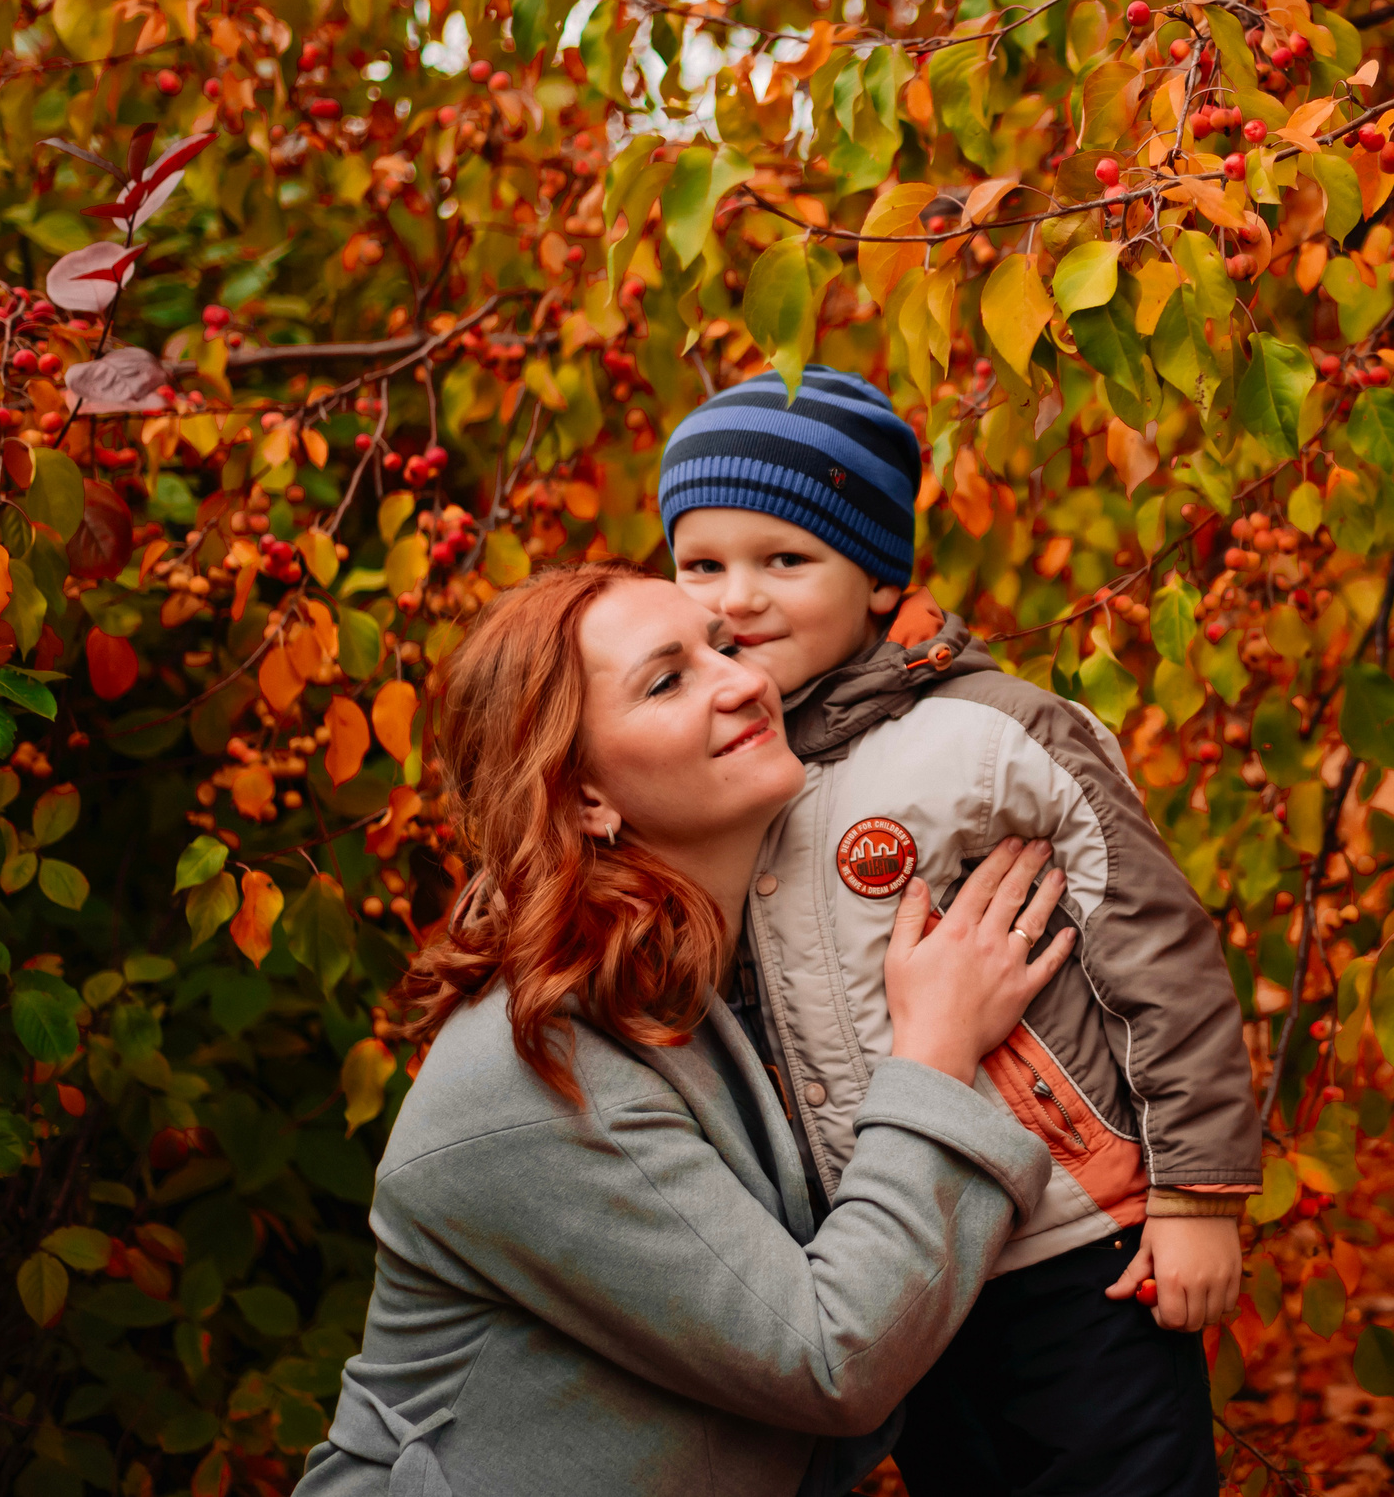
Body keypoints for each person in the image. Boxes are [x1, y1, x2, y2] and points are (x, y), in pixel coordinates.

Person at [298, 563, 1078, 1496]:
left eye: (726, 645)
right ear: (587, 797)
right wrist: (936, 1053)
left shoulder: (685, 993)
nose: (744, 679)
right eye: (668, 679)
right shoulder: (539, 1072)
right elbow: (833, 1359)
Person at [660, 364, 1261, 1496]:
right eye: (702, 564)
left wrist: (1196, 1197)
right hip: (900, 1264)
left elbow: (1158, 946)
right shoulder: (722, 768)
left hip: (1077, 1242)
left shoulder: (984, 734)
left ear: (881, 579)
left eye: (784, 560)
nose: (735, 598)